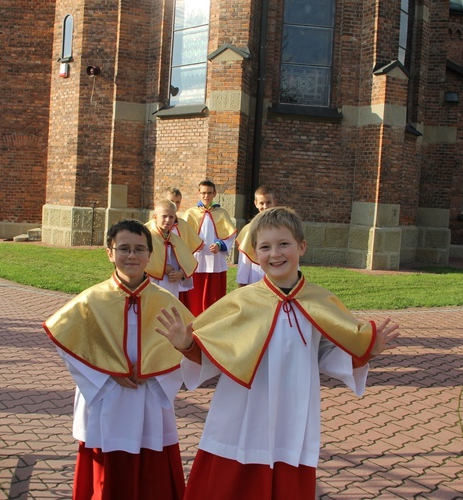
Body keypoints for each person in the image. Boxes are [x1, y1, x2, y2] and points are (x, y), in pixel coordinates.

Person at [156, 207, 400, 499]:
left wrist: (366, 351)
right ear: (254, 253)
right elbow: (214, 355)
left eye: (284, 244)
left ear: (302, 246)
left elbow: (327, 354)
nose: (275, 254)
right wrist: (187, 345)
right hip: (242, 408)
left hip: (293, 411)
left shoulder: (320, 301)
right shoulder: (241, 302)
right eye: (265, 247)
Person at [43, 219, 194, 500]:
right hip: (106, 396)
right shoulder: (91, 301)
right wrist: (106, 372)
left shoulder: (167, 302)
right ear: (109, 252)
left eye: (139, 249)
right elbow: (68, 345)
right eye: (123, 248)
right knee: (105, 473)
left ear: (151, 254)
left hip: (149, 395)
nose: (132, 256)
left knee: (153, 467)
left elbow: (188, 348)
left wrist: (156, 370)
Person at [181, 180, 237, 315]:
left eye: (209, 193)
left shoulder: (221, 213)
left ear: (214, 194)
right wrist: (193, 245)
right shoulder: (190, 213)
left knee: (214, 294)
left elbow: (230, 235)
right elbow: (182, 235)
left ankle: (214, 318)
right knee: (195, 294)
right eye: (204, 193)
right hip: (197, 259)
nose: (206, 196)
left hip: (215, 259)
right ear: (198, 193)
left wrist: (219, 245)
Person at [145, 199, 198, 297]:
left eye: (171, 217)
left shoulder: (176, 240)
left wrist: (181, 274)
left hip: (172, 285)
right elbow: (141, 261)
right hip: (152, 284)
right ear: (155, 217)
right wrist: (162, 268)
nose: (168, 220)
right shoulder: (147, 237)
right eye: (164, 216)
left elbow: (187, 263)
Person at [236, 185, 276, 286]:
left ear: (274, 202)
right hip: (255, 275)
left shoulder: (282, 227)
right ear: (256, 204)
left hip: (277, 274)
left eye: (268, 202)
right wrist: (242, 282)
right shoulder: (249, 230)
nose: (265, 206)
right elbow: (244, 258)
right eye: (261, 203)